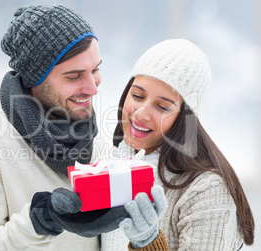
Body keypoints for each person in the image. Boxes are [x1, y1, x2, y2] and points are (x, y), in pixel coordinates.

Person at [0, 4, 121, 250]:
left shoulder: (92, 137)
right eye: (74, 76)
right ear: (35, 79)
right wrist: (37, 222)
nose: (93, 88)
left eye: (96, 69)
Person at [100, 39, 255, 250]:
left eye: (162, 107)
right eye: (137, 95)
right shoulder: (110, 165)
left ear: (184, 118)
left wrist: (148, 243)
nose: (141, 113)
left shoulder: (207, 191)